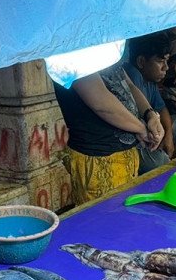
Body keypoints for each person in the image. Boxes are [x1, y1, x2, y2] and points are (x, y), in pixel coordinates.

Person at [52, 60, 163, 206]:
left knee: (126, 216)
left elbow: (128, 84)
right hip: (98, 160)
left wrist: (150, 115)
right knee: (105, 219)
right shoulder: (72, 54)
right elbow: (101, 104)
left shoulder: (104, 51)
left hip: (127, 154)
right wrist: (141, 128)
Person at [123, 33, 175, 172]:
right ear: (141, 62)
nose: (166, 68)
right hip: (135, 142)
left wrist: (168, 135)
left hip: (148, 134)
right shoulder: (133, 75)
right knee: (161, 162)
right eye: (160, 61)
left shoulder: (150, 79)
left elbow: (162, 108)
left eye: (167, 61)